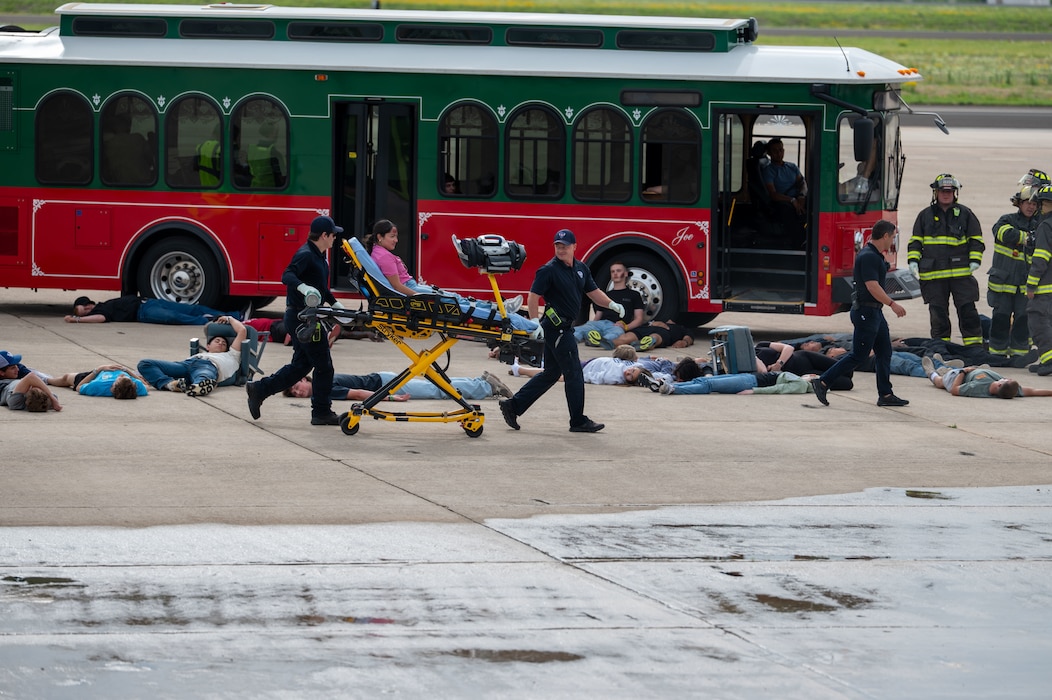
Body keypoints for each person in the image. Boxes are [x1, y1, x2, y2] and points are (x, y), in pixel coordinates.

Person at [498, 228, 627, 433]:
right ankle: (578, 421)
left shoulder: (581, 269)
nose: (561, 249)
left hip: (564, 327)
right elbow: (533, 296)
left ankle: (513, 406)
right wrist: (534, 322)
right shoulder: (548, 270)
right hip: (557, 328)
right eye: (558, 246)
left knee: (551, 373)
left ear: (574, 247)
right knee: (574, 372)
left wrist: (612, 304)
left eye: (565, 246)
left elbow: (593, 292)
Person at [246, 215, 344, 425]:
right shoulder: (306, 254)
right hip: (301, 318)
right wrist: (302, 287)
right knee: (324, 366)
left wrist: (335, 304)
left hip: (307, 316)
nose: (335, 238)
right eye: (333, 234)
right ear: (324, 235)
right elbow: (287, 275)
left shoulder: (320, 256)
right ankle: (321, 412)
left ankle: (259, 389)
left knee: (301, 366)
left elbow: (322, 289)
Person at [811, 219, 909, 408]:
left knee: (884, 351)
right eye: (893, 237)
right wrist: (892, 304)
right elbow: (872, 286)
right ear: (886, 235)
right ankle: (823, 382)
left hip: (874, 312)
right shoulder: (869, 256)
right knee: (859, 355)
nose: (893, 241)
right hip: (866, 311)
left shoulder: (874, 254)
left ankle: (886, 394)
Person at [363, 219, 531, 324]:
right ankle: (499, 310)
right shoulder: (385, 257)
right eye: (392, 237)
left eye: (396, 236)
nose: (396, 240)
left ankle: (498, 307)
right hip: (413, 289)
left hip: (413, 287)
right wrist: (419, 297)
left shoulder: (378, 253)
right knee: (456, 302)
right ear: (380, 237)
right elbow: (397, 286)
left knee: (456, 299)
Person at [908, 173, 985, 346]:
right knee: (938, 314)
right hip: (933, 275)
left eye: (950, 191)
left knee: (968, 311)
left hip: (961, 275)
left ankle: (974, 347)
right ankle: (941, 346)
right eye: (943, 191)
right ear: (936, 192)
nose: (946, 194)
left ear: (955, 193)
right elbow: (915, 241)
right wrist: (913, 260)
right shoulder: (924, 216)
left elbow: (976, 240)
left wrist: (975, 260)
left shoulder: (965, 214)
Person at [987, 169, 1049, 361]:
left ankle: (1020, 356)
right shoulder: (1007, 220)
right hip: (1003, 283)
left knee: (1023, 320)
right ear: (1019, 203)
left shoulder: (1043, 224)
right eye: (1026, 203)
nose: (1030, 207)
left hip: (1025, 284)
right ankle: (996, 355)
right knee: (1000, 318)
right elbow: (1001, 232)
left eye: (1034, 203)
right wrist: (1026, 238)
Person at [137, 315, 247, 396]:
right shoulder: (201, 353)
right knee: (145, 364)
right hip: (186, 364)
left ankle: (200, 386)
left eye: (224, 343)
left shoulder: (232, 355)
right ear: (208, 346)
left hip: (209, 365)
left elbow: (242, 330)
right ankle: (170, 384)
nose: (220, 343)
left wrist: (229, 318)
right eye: (217, 341)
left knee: (204, 376)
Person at [283, 370, 512, 403]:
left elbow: (360, 394)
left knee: (435, 390)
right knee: (434, 387)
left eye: (296, 386)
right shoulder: (324, 378)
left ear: (305, 379)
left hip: (387, 385)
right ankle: (481, 383)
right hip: (385, 380)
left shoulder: (325, 387)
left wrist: (392, 398)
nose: (298, 392)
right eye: (294, 393)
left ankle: (485, 386)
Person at [572, 261, 645, 349]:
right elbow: (598, 315)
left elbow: (639, 319)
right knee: (578, 330)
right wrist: (591, 325)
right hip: (600, 323)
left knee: (613, 335)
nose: (615, 274)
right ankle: (573, 340)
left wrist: (626, 327)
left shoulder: (634, 295)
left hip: (616, 326)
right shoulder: (605, 295)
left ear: (625, 273)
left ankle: (598, 341)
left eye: (618, 271)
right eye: (613, 271)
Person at [65, 295, 241, 325]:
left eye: (85, 307)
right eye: (84, 312)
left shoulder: (103, 304)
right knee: (178, 317)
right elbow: (101, 319)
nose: (87, 310)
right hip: (143, 313)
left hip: (148, 302)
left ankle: (234, 316)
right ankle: (217, 321)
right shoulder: (100, 313)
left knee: (191, 308)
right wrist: (77, 320)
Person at [762, 137, 808, 247]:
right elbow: (773, 194)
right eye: (775, 151)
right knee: (788, 210)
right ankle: (799, 242)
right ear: (769, 153)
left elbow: (802, 183)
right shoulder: (769, 170)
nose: (779, 153)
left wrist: (802, 196)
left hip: (797, 197)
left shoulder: (792, 167)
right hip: (782, 201)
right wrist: (792, 200)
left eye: (781, 150)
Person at [1025, 184, 1052, 375]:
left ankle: (1049, 360)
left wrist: (1031, 284)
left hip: (1045, 287)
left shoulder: (1046, 226)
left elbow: (1041, 257)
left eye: (1042, 204)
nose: (1040, 208)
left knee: (1038, 322)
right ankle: (1046, 360)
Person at [927, 365, 1052, 399]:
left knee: (941, 382)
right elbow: (1034, 391)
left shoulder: (976, 388)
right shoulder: (1011, 390)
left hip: (960, 377)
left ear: (999, 385)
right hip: (977, 371)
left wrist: (963, 372)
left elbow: (955, 390)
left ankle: (931, 372)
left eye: (1006, 380)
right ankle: (945, 366)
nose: (1007, 378)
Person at [656, 371, 815, 396]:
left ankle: (674, 389)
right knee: (706, 380)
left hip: (750, 382)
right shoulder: (799, 380)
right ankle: (671, 385)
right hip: (749, 377)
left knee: (709, 386)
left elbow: (778, 389)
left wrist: (753, 391)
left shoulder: (801, 384)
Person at [49, 364, 149, 399]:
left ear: (113, 386)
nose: (121, 375)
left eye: (120, 378)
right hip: (111, 370)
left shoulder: (97, 386)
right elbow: (146, 386)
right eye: (125, 378)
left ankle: (47, 380)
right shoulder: (137, 388)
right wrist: (127, 371)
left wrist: (98, 369)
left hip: (96, 375)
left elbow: (79, 387)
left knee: (67, 378)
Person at [610, 320, 694, 351]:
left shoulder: (679, 328)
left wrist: (684, 342)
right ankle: (610, 343)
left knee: (655, 336)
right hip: (646, 328)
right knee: (626, 338)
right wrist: (652, 323)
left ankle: (647, 342)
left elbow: (689, 337)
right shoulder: (655, 320)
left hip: (664, 333)